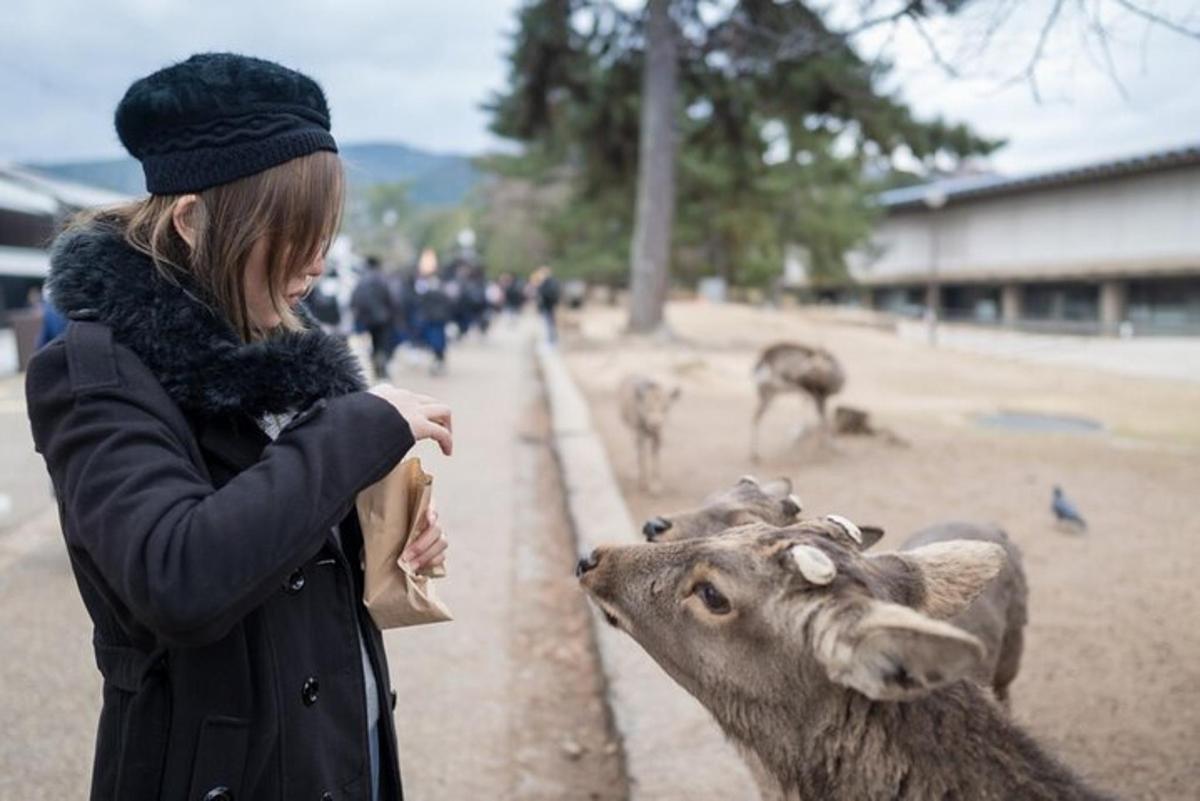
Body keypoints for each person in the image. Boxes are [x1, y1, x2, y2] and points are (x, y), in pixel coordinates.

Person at [24, 53, 453, 801]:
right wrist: (354, 432)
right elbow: (178, 573)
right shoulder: (94, 372)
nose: (317, 264)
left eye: (325, 234)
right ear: (193, 221)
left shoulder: (276, 345)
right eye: (294, 234)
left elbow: (285, 534)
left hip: (340, 752)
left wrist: (379, 534)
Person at [351, 255, 396, 379]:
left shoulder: (362, 280)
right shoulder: (382, 279)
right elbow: (391, 299)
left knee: (373, 343)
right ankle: (382, 367)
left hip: (367, 319)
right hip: (383, 318)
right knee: (383, 343)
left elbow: (355, 300)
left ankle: (376, 367)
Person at [413, 248, 451, 374]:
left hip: (434, 320)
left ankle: (438, 359)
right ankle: (438, 359)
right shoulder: (441, 290)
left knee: (437, 342)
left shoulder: (428, 291)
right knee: (438, 342)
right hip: (437, 320)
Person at [533, 265, 562, 344]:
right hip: (545, 306)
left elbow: (550, 294)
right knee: (547, 323)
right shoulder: (544, 282)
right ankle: (550, 339)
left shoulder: (550, 282)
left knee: (549, 323)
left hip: (549, 305)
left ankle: (552, 340)